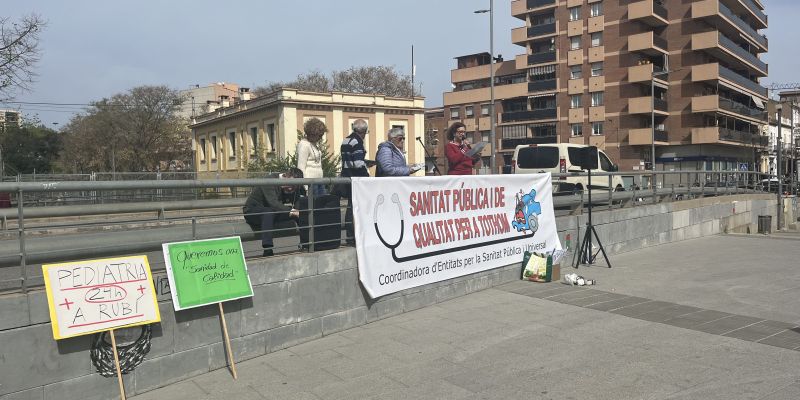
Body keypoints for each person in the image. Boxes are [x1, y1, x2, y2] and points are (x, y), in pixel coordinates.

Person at [243, 168, 303, 257]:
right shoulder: (270, 180)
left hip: (272, 212)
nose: (291, 189)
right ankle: (268, 249)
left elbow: (297, 204)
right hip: (253, 211)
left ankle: (307, 242)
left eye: (295, 187)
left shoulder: (293, 187)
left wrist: (301, 212)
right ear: (286, 176)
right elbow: (273, 203)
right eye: (290, 185)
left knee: (302, 213)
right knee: (269, 212)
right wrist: (293, 211)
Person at [339, 119, 371, 245]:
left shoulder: (346, 140)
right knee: (356, 208)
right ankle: (354, 236)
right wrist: (366, 175)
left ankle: (349, 236)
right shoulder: (357, 142)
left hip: (346, 176)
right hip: (357, 180)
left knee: (349, 207)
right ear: (363, 131)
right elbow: (358, 164)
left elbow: (348, 160)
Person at [297, 118, 326, 196]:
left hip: (320, 181)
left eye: (321, 135)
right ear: (312, 133)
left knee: (321, 205)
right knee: (314, 206)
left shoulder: (314, 144)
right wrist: (306, 187)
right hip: (310, 183)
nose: (320, 137)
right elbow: (301, 167)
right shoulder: (304, 145)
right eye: (319, 135)